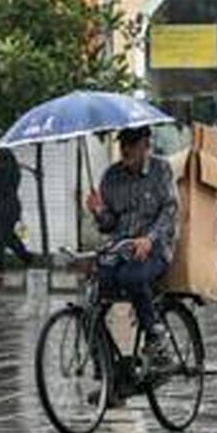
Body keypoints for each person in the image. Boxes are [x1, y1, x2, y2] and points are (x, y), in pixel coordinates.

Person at [85, 125, 177, 366]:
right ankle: (105, 369)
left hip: (154, 249)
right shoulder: (111, 177)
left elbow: (170, 210)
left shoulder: (161, 169)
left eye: (132, 143)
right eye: (123, 143)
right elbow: (109, 224)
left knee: (131, 278)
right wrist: (98, 211)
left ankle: (156, 336)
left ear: (146, 144)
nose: (126, 149)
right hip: (120, 250)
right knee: (92, 299)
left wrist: (150, 238)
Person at [0, 148, 34, 271]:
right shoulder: (11, 168)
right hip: (11, 207)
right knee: (8, 237)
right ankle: (27, 257)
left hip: (5, 208)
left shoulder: (0, 168)